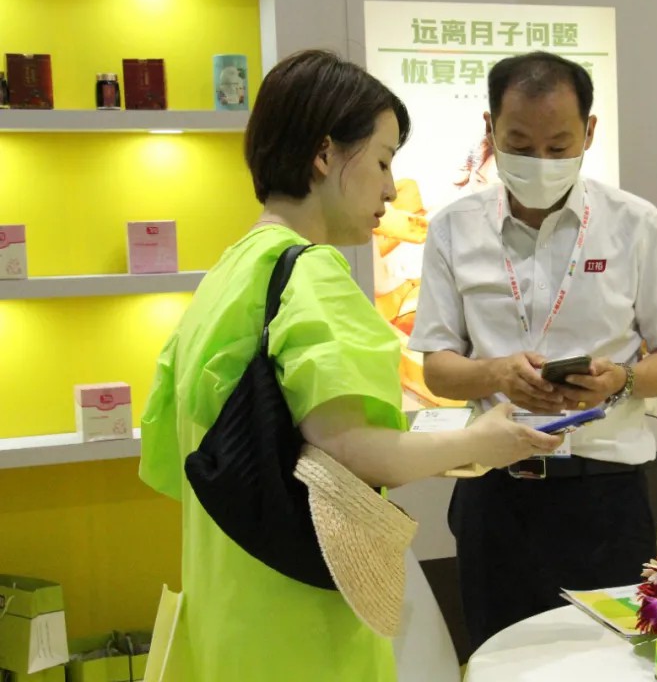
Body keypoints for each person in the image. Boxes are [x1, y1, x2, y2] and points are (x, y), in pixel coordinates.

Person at [137, 49, 559, 682]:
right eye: (384, 160)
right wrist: (481, 442)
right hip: (300, 625)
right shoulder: (312, 274)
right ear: (325, 153)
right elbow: (358, 451)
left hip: (227, 606)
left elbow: (173, 459)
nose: (391, 188)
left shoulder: (228, 274)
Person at [407, 51, 657, 651]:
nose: (539, 161)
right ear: (489, 130)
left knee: (615, 664)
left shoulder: (635, 225)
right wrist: (495, 373)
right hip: (496, 494)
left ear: (589, 132)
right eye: (519, 143)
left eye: (558, 144)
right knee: (499, 660)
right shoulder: (452, 229)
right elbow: (437, 366)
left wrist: (619, 379)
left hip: (606, 493)